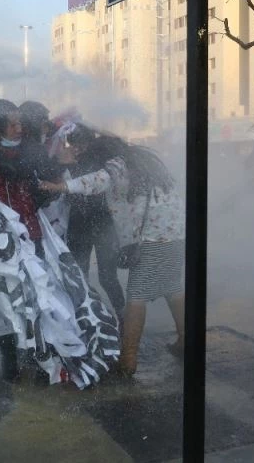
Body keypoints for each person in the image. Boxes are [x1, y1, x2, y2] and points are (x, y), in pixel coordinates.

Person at [40, 135, 185, 376]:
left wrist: (62, 186)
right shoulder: (147, 162)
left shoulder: (116, 165)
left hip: (151, 239)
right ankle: (184, 340)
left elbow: (95, 181)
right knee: (173, 287)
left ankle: (128, 359)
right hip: (176, 233)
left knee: (136, 296)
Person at [55, 124, 126, 318]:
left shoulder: (102, 154)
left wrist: (90, 124)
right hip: (80, 223)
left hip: (103, 221)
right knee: (80, 274)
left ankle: (123, 316)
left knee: (107, 277)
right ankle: (93, 316)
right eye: (73, 143)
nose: (76, 147)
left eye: (80, 143)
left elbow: (119, 141)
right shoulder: (67, 159)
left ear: (89, 141)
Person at [0, 99, 43, 257]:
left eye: (20, 123)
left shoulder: (28, 148)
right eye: (13, 125)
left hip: (29, 230)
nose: (19, 129)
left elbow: (16, 171)